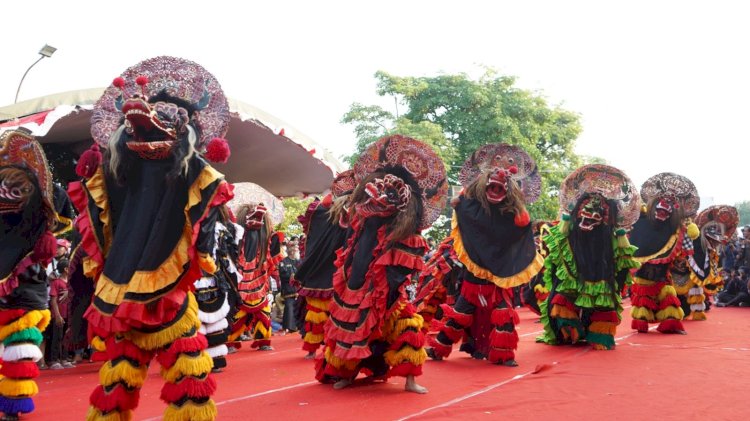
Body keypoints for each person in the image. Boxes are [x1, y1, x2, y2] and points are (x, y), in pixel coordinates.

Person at [70, 56, 233, 421]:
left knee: (184, 369)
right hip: (125, 281)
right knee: (122, 373)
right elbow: (98, 198)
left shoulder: (192, 171)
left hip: (164, 291)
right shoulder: (119, 171)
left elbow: (204, 192)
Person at [316, 134, 448, 394]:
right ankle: (346, 374)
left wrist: (388, 290)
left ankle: (410, 380)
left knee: (408, 328)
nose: (376, 201)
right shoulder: (361, 221)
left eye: (385, 199)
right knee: (350, 327)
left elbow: (405, 267)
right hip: (356, 286)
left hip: (390, 295)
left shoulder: (407, 233)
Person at [427, 143, 543, 366]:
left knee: (502, 314)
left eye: (503, 184)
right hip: (473, 276)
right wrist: (458, 204)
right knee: (461, 313)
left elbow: (521, 228)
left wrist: (520, 217)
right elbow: (463, 208)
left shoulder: (512, 214)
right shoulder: (471, 206)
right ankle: (438, 349)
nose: (498, 184)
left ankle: (503, 355)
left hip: (499, 277)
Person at [0, 129, 68, 420]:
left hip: (26, 294)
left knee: (19, 349)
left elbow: (58, 201)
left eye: (14, 193)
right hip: (24, 293)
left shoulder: (37, 219)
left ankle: (13, 405)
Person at [537, 165, 641, 350]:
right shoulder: (565, 236)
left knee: (604, 302)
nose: (591, 213)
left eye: (597, 212)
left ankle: (598, 333)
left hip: (601, 267)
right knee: (562, 298)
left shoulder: (613, 239)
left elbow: (622, 270)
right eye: (585, 209)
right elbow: (553, 268)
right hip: (575, 268)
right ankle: (569, 331)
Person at [629, 172, 700, 334]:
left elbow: (690, 238)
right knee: (643, 299)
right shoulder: (642, 220)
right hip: (643, 274)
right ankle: (642, 322)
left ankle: (671, 324)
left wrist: (689, 227)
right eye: (662, 204)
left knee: (668, 295)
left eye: (670, 204)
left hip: (662, 275)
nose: (665, 206)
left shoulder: (675, 227)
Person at [293, 170, 355, 358]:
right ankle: (331, 348)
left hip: (321, 271)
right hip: (337, 271)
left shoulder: (320, 210)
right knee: (330, 312)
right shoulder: (341, 212)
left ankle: (314, 349)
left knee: (318, 311)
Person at [278, 239, 300, 333]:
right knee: (289, 307)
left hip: (298, 290)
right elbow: (283, 275)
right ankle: (289, 326)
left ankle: (298, 326)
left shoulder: (299, 262)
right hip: (288, 289)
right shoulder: (284, 262)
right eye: (295, 249)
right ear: (291, 250)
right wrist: (291, 276)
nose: (296, 251)